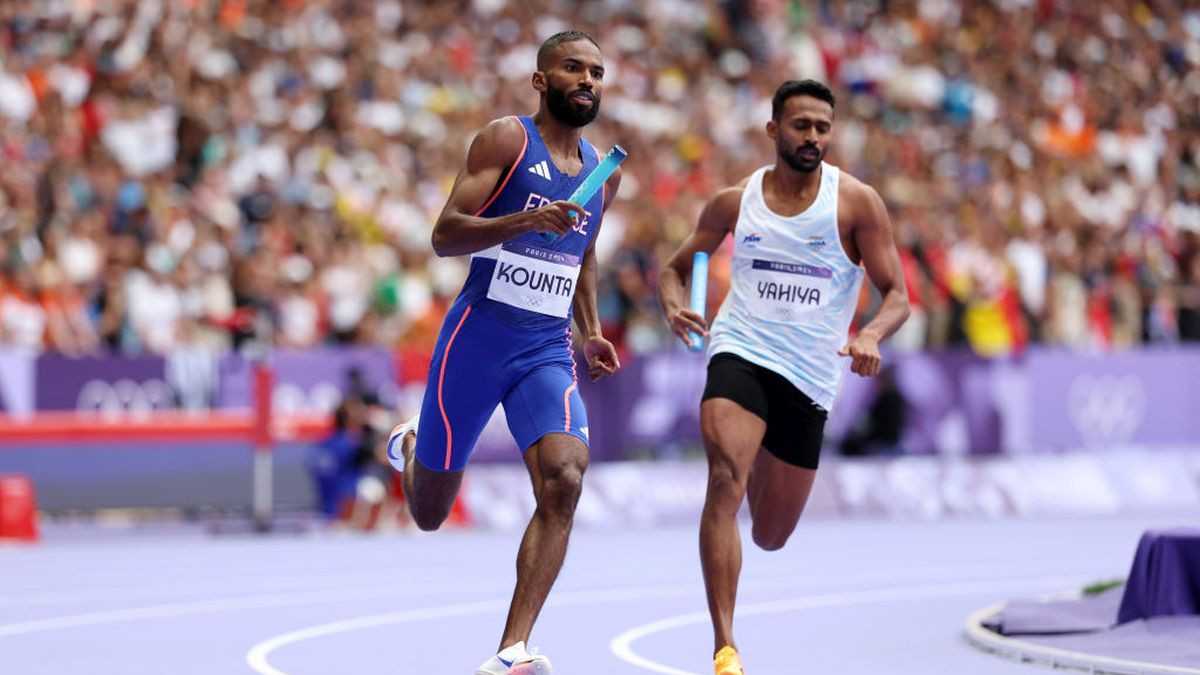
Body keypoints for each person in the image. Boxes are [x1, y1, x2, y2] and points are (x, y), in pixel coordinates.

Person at [385, 30, 621, 675]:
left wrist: (590, 329)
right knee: (430, 513)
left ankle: (511, 650)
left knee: (566, 479)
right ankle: (414, 443)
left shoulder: (605, 171)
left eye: (597, 72)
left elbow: (585, 252)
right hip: (478, 338)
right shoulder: (505, 140)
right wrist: (525, 220)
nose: (588, 81)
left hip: (545, 348)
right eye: (573, 68)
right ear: (542, 80)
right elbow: (444, 235)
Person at [657, 79, 910, 675]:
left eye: (823, 127)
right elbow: (676, 267)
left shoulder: (855, 203)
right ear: (774, 130)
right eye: (801, 126)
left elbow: (897, 293)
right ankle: (725, 647)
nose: (813, 138)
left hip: (809, 377)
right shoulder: (733, 202)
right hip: (740, 350)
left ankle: (756, 498)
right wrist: (675, 307)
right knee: (725, 478)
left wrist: (872, 333)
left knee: (771, 533)